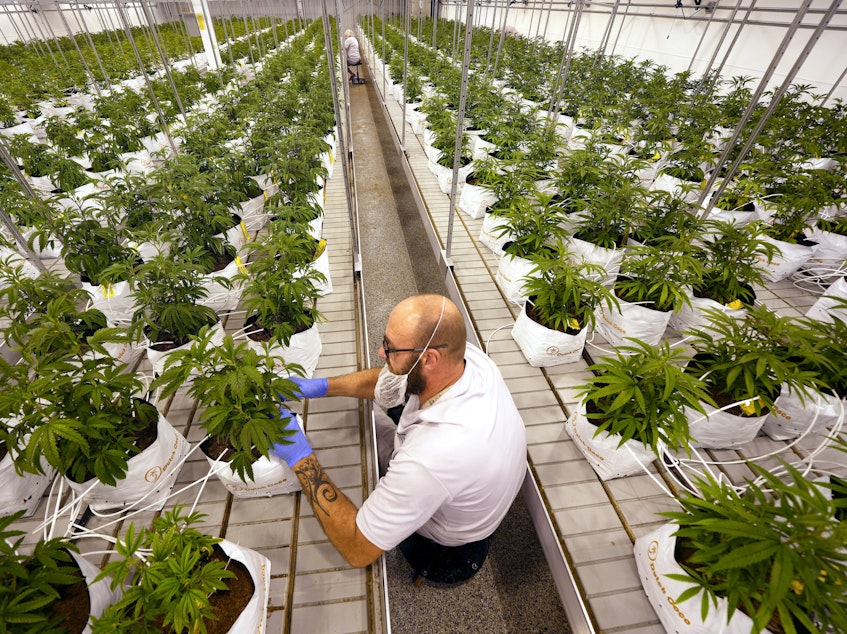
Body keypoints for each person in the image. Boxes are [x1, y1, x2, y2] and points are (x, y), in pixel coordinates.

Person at [272, 294, 527, 584]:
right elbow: (392, 378)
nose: (381, 353)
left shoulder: (430, 460)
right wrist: (321, 387)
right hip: (471, 482)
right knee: (378, 417)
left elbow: (357, 549)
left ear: (429, 358)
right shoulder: (467, 358)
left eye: (390, 348)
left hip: (447, 547)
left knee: (374, 460)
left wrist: (300, 457)